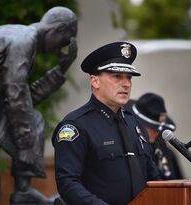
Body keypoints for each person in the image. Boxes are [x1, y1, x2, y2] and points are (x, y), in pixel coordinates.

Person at [0, 6, 78, 205]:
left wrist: (62, 68)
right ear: (60, 28)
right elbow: (15, 93)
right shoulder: (25, 40)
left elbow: (24, 97)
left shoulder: (19, 35)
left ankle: (23, 190)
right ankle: (23, 192)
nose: (59, 49)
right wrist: (24, 138)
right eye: (64, 41)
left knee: (33, 119)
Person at [52, 42, 160, 205]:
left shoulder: (135, 125)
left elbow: (153, 179)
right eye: (117, 76)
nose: (126, 84)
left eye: (129, 78)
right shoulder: (75, 126)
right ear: (95, 81)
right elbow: (68, 183)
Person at [125, 93, 184, 180]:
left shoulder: (163, 148)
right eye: (152, 127)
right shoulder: (128, 146)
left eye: (159, 129)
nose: (157, 132)